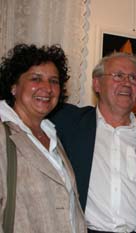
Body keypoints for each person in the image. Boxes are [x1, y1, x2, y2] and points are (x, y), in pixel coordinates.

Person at [50, 52, 136, 233]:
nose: (127, 83)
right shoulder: (69, 122)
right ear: (97, 84)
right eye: (118, 75)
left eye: (134, 78)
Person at [0, 44, 86, 233]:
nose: (47, 88)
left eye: (54, 81)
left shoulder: (52, 134)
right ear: (14, 86)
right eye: (36, 78)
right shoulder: (2, 133)